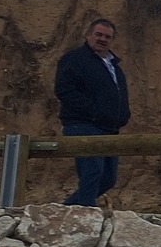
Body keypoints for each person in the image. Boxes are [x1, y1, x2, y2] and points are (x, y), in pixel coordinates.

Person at [54, 16, 131, 207]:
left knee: (108, 179)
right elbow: (64, 90)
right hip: (83, 125)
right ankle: (88, 217)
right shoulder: (74, 59)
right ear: (88, 35)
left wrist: (123, 115)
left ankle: (66, 209)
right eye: (98, 34)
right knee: (92, 172)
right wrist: (93, 112)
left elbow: (119, 95)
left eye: (107, 36)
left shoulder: (114, 66)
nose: (102, 39)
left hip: (109, 129)